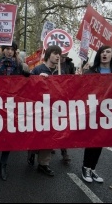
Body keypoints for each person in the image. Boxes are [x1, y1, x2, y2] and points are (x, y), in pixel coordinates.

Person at [0, 42, 30, 181]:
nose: (9, 52)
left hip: (12, 105)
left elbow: (28, 79)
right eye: (7, 49)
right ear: (2, 50)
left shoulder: (18, 65)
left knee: (9, 137)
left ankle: (3, 165)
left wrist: (25, 69)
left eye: (12, 49)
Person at [80, 45, 112, 183]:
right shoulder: (91, 72)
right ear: (99, 55)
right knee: (92, 140)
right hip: (93, 111)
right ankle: (85, 167)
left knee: (101, 141)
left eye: (108, 52)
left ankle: (93, 169)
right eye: (102, 52)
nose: (105, 54)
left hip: (107, 113)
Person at [29, 45, 64, 177]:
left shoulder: (61, 71)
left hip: (53, 110)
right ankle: (32, 152)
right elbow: (27, 87)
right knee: (36, 135)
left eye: (59, 54)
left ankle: (44, 164)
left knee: (49, 136)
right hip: (38, 109)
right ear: (49, 54)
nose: (57, 56)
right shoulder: (38, 69)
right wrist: (37, 79)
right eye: (55, 53)